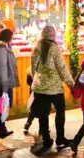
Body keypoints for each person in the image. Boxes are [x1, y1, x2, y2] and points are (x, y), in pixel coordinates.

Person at [30, 26, 75, 154]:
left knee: (43, 115)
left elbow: (33, 68)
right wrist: (71, 83)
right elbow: (62, 68)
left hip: (40, 88)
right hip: (55, 88)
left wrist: (37, 80)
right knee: (60, 111)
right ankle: (60, 138)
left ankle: (46, 139)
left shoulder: (35, 47)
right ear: (53, 35)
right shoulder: (54, 48)